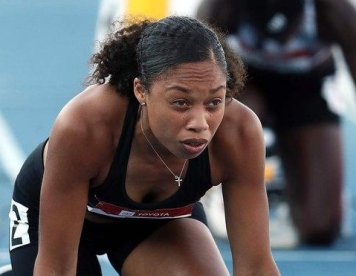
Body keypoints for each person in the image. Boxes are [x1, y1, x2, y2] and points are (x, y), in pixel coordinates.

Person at [8, 16, 280, 275]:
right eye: (181, 103)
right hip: (60, 225)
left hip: (158, 226)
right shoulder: (85, 127)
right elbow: (56, 269)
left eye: (214, 102)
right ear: (141, 91)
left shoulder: (239, 133)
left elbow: (257, 268)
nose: (200, 123)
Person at [197, 0, 356, 251]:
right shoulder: (222, 8)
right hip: (249, 82)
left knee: (319, 229)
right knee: (229, 103)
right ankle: (224, 181)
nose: (280, 39)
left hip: (306, 89)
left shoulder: (334, 14)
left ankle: (301, 174)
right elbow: (192, 91)